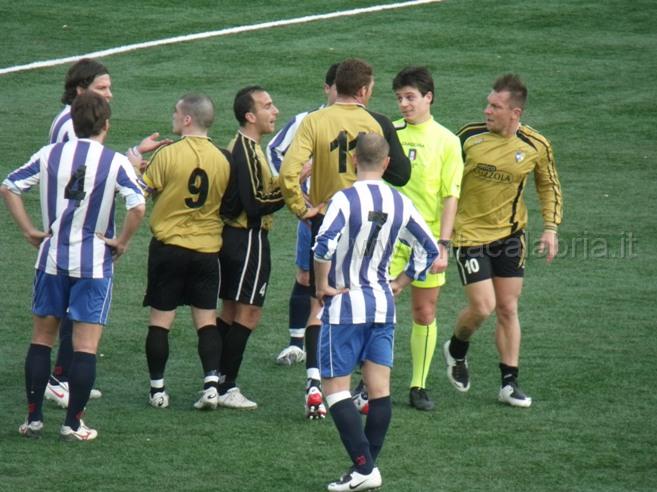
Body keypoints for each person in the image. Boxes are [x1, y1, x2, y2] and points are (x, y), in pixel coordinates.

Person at [1, 92, 146, 440]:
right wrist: (122, 241)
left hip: (51, 260)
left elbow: (9, 186)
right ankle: (72, 423)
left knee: (41, 339)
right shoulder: (114, 161)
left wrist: (29, 230)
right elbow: (138, 206)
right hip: (93, 266)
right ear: (106, 125)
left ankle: (33, 419)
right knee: (85, 346)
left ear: (74, 123)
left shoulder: (50, 153)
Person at [279, 58, 411, 419]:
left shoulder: (314, 121)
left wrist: (301, 209)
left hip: (326, 221)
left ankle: (315, 384)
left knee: (321, 302)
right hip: (368, 222)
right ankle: (365, 387)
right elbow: (399, 172)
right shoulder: (375, 124)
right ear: (365, 90)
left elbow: (288, 172)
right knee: (366, 295)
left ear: (335, 86)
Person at [314, 133, 439, 491]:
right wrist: (401, 282)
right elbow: (429, 249)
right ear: (386, 163)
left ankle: (365, 468)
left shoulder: (344, 199)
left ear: (354, 159)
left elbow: (324, 245)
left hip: (345, 307)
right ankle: (365, 469)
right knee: (379, 391)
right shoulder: (400, 202)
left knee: (335, 390)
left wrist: (322, 286)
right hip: (383, 305)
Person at [44, 58, 169, 409]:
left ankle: (64, 377)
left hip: (74, 232)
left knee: (71, 307)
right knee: (75, 308)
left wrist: (131, 156)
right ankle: (60, 379)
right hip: (80, 235)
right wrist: (130, 167)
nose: (110, 94)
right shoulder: (69, 127)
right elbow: (85, 181)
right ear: (80, 89)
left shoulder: (69, 122)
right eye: (102, 87)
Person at [443, 74, 563, 408]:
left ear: (515, 113)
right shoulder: (468, 137)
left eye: (495, 106)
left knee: (508, 307)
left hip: (510, 235)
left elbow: (549, 185)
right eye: (488, 104)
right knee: (483, 306)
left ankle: (509, 384)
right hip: (468, 234)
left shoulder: (536, 145)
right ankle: (457, 349)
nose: (487, 111)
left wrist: (550, 228)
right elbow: (445, 181)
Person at [139, 93, 231, 411]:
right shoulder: (223, 159)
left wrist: (135, 165)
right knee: (206, 320)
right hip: (206, 251)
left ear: (188, 118)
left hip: (169, 249)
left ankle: (158, 390)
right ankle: (211, 387)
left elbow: (141, 193)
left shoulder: (167, 154)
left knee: (160, 321)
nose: (173, 116)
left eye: (176, 112)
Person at [389, 66, 463, 410]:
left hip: (427, 241)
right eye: (399, 98)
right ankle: (368, 380)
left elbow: (451, 196)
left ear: (428, 97)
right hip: (388, 238)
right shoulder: (389, 132)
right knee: (378, 307)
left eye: (410, 97)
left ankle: (417, 385)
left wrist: (443, 245)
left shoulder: (447, 141)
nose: (404, 104)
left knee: (424, 311)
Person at [266, 62, 339, 366]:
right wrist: (292, 187)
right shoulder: (305, 121)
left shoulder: (360, 122)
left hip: (345, 215)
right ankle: (297, 343)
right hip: (310, 213)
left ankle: (335, 342)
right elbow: (274, 150)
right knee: (307, 275)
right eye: (337, 89)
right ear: (327, 88)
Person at [216, 85, 284, 409]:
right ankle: (226, 385)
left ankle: (213, 380)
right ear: (250, 116)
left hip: (237, 238)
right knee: (249, 312)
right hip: (248, 239)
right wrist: (291, 187)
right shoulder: (244, 150)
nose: (275, 111)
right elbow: (256, 203)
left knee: (230, 311)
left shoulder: (249, 146)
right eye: (267, 106)